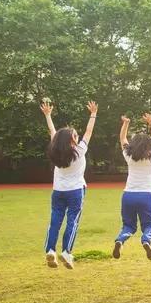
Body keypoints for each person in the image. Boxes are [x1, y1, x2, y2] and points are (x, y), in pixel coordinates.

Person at [40, 99, 98, 269]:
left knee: (54, 221)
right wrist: (93, 114)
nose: (78, 136)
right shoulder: (79, 150)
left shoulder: (54, 150)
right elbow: (89, 131)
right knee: (72, 221)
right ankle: (66, 251)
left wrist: (48, 115)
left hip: (58, 191)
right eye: (75, 135)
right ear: (72, 139)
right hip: (75, 191)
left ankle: (50, 250)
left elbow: (53, 131)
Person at [112, 113, 151, 260]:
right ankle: (146, 241)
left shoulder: (129, 157)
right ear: (150, 146)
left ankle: (120, 240)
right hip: (146, 195)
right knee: (149, 226)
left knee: (128, 226)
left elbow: (122, 139)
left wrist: (126, 124)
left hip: (128, 195)